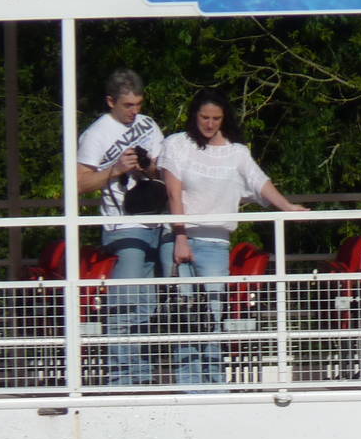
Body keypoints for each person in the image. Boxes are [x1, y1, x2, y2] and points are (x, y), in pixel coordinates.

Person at [159, 88, 307, 389]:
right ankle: (189, 387)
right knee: (184, 315)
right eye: (204, 117)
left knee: (212, 316)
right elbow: (174, 193)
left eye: (216, 118)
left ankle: (215, 387)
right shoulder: (176, 144)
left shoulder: (237, 152)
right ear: (194, 116)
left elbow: (259, 181)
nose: (209, 124)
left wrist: (287, 207)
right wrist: (181, 236)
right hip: (179, 236)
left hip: (216, 242)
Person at [77, 68, 167, 386]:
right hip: (123, 224)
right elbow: (77, 182)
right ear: (111, 101)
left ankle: (140, 375)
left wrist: (147, 165)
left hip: (156, 218)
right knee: (125, 302)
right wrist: (115, 170)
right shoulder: (96, 134)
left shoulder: (148, 124)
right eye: (128, 105)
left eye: (139, 104)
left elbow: (161, 165)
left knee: (147, 304)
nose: (135, 112)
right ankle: (121, 378)